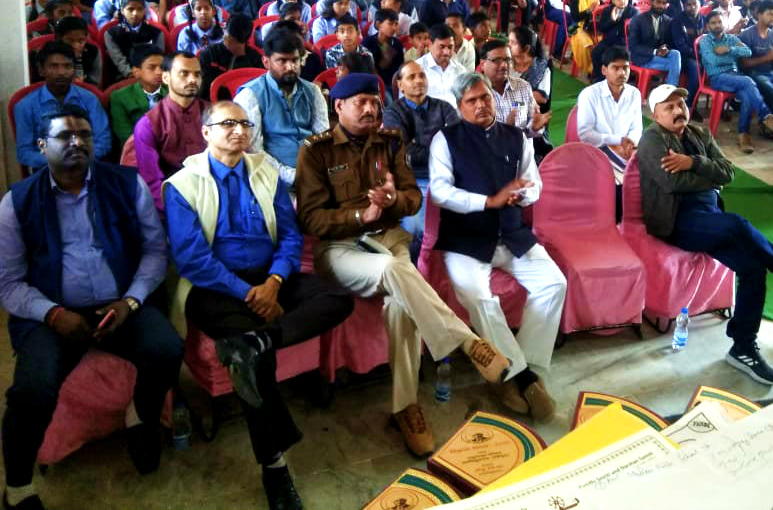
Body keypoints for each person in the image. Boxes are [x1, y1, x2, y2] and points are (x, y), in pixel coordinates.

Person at [295, 74, 508, 455]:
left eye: (374, 102)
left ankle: (405, 407)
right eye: (359, 102)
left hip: (390, 240)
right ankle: (469, 342)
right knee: (397, 272)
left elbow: (412, 198)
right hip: (342, 250)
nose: (370, 109)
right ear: (338, 106)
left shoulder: (390, 142)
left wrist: (393, 200)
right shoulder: (316, 151)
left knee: (400, 305)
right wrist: (362, 216)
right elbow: (310, 220)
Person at [164, 101, 353, 510]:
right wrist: (249, 292)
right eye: (227, 123)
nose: (238, 130)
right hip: (215, 290)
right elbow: (193, 259)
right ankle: (275, 467)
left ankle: (259, 341)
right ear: (206, 132)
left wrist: (274, 281)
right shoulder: (182, 184)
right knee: (257, 365)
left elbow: (289, 236)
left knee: (336, 296)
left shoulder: (265, 172)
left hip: (270, 278)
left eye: (244, 123)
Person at [0, 106, 183, 507]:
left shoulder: (125, 183)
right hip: (53, 314)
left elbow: (155, 251)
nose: (78, 142)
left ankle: (141, 414)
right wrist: (52, 314)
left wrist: (132, 300)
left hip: (119, 303)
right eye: (65, 136)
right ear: (41, 145)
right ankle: (17, 486)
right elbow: (9, 284)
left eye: (84, 134)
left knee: (166, 348)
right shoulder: (17, 202)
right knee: (32, 390)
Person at [638, 84, 773, 385]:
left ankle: (743, 346)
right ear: (655, 113)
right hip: (677, 222)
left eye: (681, 105)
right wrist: (709, 178)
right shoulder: (651, 141)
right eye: (669, 107)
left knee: (753, 269)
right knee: (737, 224)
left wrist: (694, 163)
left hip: (709, 218)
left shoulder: (699, 134)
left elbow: (728, 173)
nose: (678, 111)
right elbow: (672, 183)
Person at [429, 73, 566, 421]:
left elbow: (534, 182)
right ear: (459, 107)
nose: (480, 105)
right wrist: (488, 201)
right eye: (471, 101)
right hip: (467, 237)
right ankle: (516, 375)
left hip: (510, 233)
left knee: (554, 283)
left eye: (485, 98)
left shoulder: (516, 136)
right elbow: (441, 192)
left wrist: (524, 194)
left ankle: (526, 367)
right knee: (479, 298)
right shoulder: (446, 140)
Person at [235, 29, 330, 186]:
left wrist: (319, 171)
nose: (291, 67)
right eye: (282, 61)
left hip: (315, 172)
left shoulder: (312, 91)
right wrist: (294, 176)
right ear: (266, 62)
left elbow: (323, 138)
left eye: (295, 60)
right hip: (272, 180)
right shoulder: (250, 96)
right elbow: (254, 151)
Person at [383, 61, 460, 249]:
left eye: (422, 75)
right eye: (411, 77)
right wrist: (438, 147)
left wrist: (418, 145)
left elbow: (457, 146)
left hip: (448, 177)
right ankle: (417, 272)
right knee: (418, 229)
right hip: (415, 180)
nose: (419, 81)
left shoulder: (445, 108)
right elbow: (405, 153)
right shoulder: (393, 112)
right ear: (400, 85)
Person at [699, 10, 773, 153]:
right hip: (717, 78)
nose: (717, 25)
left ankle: (743, 134)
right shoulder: (706, 41)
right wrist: (733, 56)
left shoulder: (731, 39)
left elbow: (747, 52)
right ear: (708, 26)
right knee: (748, 81)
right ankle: (766, 116)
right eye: (713, 23)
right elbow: (713, 60)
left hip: (735, 76)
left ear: (724, 23)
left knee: (747, 95)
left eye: (719, 22)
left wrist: (729, 49)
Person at [15, 42, 111, 170]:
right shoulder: (25, 106)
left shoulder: (90, 99)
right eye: (54, 66)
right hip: (47, 171)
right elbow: (24, 152)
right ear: (41, 70)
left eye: (67, 66)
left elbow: (103, 141)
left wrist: (79, 160)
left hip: (86, 167)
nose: (61, 72)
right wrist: (59, 161)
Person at [133, 51, 207, 209]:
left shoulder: (214, 114)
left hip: (214, 193)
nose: (193, 80)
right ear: (166, 78)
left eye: (197, 74)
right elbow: (152, 181)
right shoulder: (148, 124)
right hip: (173, 199)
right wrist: (176, 211)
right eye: (184, 74)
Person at [576, 45, 642, 182]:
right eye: (616, 68)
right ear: (604, 70)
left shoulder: (634, 94)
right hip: (598, 151)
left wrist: (630, 144)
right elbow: (585, 134)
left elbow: (637, 127)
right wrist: (618, 141)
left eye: (625, 68)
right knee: (620, 185)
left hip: (625, 150)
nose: (622, 73)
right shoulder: (589, 94)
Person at [478, 39, 552, 143]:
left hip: (523, 154)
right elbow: (476, 138)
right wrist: (506, 129)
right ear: (482, 64)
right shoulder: (476, 94)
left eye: (508, 60)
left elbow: (531, 127)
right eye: (497, 60)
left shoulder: (523, 87)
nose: (504, 65)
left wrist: (534, 128)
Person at [738, 0, 773, 124]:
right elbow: (744, 64)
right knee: (771, 91)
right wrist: (769, 56)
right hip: (754, 74)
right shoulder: (747, 35)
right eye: (769, 14)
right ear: (759, 15)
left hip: (772, 73)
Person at [109, 45, 167, 146]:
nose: (159, 72)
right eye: (152, 67)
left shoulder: (173, 93)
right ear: (136, 71)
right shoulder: (119, 97)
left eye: (162, 67)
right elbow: (125, 135)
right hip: (136, 150)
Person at [198, 13, 265, 98]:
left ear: (245, 40)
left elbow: (260, 87)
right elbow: (204, 87)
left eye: (237, 41)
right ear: (224, 31)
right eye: (230, 38)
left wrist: (241, 56)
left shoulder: (255, 58)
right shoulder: (209, 54)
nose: (231, 44)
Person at [105, 0, 166, 80]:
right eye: (130, 9)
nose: (135, 13)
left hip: (152, 75)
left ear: (144, 10)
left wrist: (146, 74)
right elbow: (119, 60)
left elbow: (159, 58)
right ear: (122, 10)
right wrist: (130, 74)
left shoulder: (157, 32)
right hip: (122, 77)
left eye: (140, 9)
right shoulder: (111, 34)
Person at [629, 0, 681, 87]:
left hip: (659, 56)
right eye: (658, 2)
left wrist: (665, 48)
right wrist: (655, 51)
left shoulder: (667, 20)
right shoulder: (638, 20)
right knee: (675, 64)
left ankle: (670, 88)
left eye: (664, 3)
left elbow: (669, 41)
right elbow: (633, 46)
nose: (661, 6)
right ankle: (671, 90)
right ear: (651, 2)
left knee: (676, 54)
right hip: (642, 57)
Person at [590, 0, 637, 80]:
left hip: (624, 43)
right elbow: (602, 28)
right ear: (613, 0)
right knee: (596, 52)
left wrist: (619, 22)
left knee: (616, 56)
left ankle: (617, 79)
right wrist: (612, 20)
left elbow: (632, 31)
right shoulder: (608, 10)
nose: (622, 1)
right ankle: (599, 77)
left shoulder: (633, 12)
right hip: (608, 41)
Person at [417, 24, 468, 108]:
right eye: (442, 47)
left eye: (450, 47)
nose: (446, 52)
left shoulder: (461, 71)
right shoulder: (417, 69)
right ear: (430, 44)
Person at [361, 8, 405, 89]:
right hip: (375, 84)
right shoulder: (367, 43)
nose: (394, 27)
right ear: (378, 24)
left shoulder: (397, 44)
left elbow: (401, 68)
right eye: (390, 24)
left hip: (396, 84)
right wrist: (384, 62)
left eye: (396, 24)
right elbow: (367, 69)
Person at [53, 15, 102, 87]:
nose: (75, 45)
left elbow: (95, 81)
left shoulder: (93, 51)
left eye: (81, 40)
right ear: (59, 38)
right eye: (70, 40)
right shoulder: (50, 54)